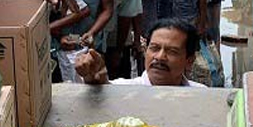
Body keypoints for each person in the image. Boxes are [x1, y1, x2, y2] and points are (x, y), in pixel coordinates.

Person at [75, 19, 205, 87]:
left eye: (172, 51)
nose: (160, 57)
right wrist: (95, 82)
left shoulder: (201, 95)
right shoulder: (122, 90)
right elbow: (103, 91)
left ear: (189, 61)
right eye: (154, 48)